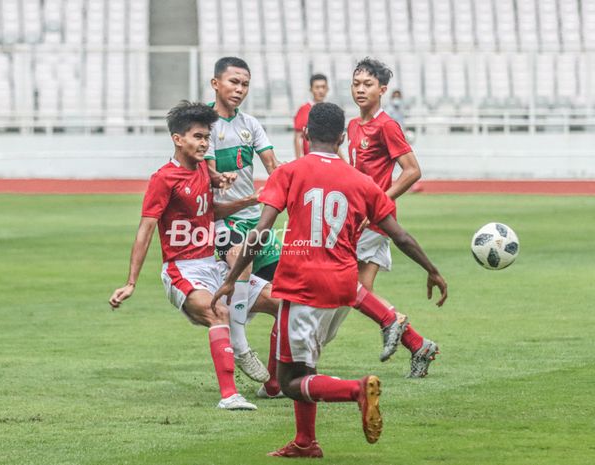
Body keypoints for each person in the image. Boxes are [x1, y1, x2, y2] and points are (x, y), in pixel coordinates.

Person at [211, 102, 448, 457]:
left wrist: (231, 278)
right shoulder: (362, 182)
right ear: (341, 137)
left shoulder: (290, 173)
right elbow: (399, 235)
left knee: (290, 382)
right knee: (307, 365)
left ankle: (355, 390)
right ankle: (306, 441)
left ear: (305, 134)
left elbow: (261, 231)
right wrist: (432, 269)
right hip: (343, 289)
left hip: (301, 287)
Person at [108, 101, 280, 410]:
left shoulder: (203, 167)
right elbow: (146, 229)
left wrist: (249, 200)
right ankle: (230, 395)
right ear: (178, 139)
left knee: (283, 302)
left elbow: (210, 211)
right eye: (198, 137)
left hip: (211, 264)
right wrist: (131, 282)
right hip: (182, 270)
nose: (204, 143)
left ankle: (276, 383)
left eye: (206, 137)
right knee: (220, 313)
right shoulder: (163, 179)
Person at [347, 57, 437, 377]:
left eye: (367, 84)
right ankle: (418, 345)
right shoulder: (354, 125)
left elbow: (412, 171)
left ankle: (399, 328)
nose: (360, 89)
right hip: (356, 218)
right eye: (356, 83)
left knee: (350, 291)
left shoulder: (387, 125)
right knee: (359, 292)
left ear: (382, 90)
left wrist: (378, 200)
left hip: (374, 221)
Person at [205, 56, 285, 396]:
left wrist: (289, 181)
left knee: (289, 292)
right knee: (241, 253)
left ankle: (278, 380)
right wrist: (218, 176)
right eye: (233, 82)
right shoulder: (203, 125)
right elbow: (207, 168)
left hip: (256, 218)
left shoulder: (250, 124)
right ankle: (239, 344)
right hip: (222, 219)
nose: (239, 89)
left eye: (245, 84)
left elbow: (273, 164)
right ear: (216, 84)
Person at [293, 74, 328, 159]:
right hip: (309, 160)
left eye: (323, 87)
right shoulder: (304, 110)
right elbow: (298, 137)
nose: (320, 90)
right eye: (317, 87)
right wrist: (300, 160)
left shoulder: (330, 110)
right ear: (311, 89)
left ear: (327, 89)